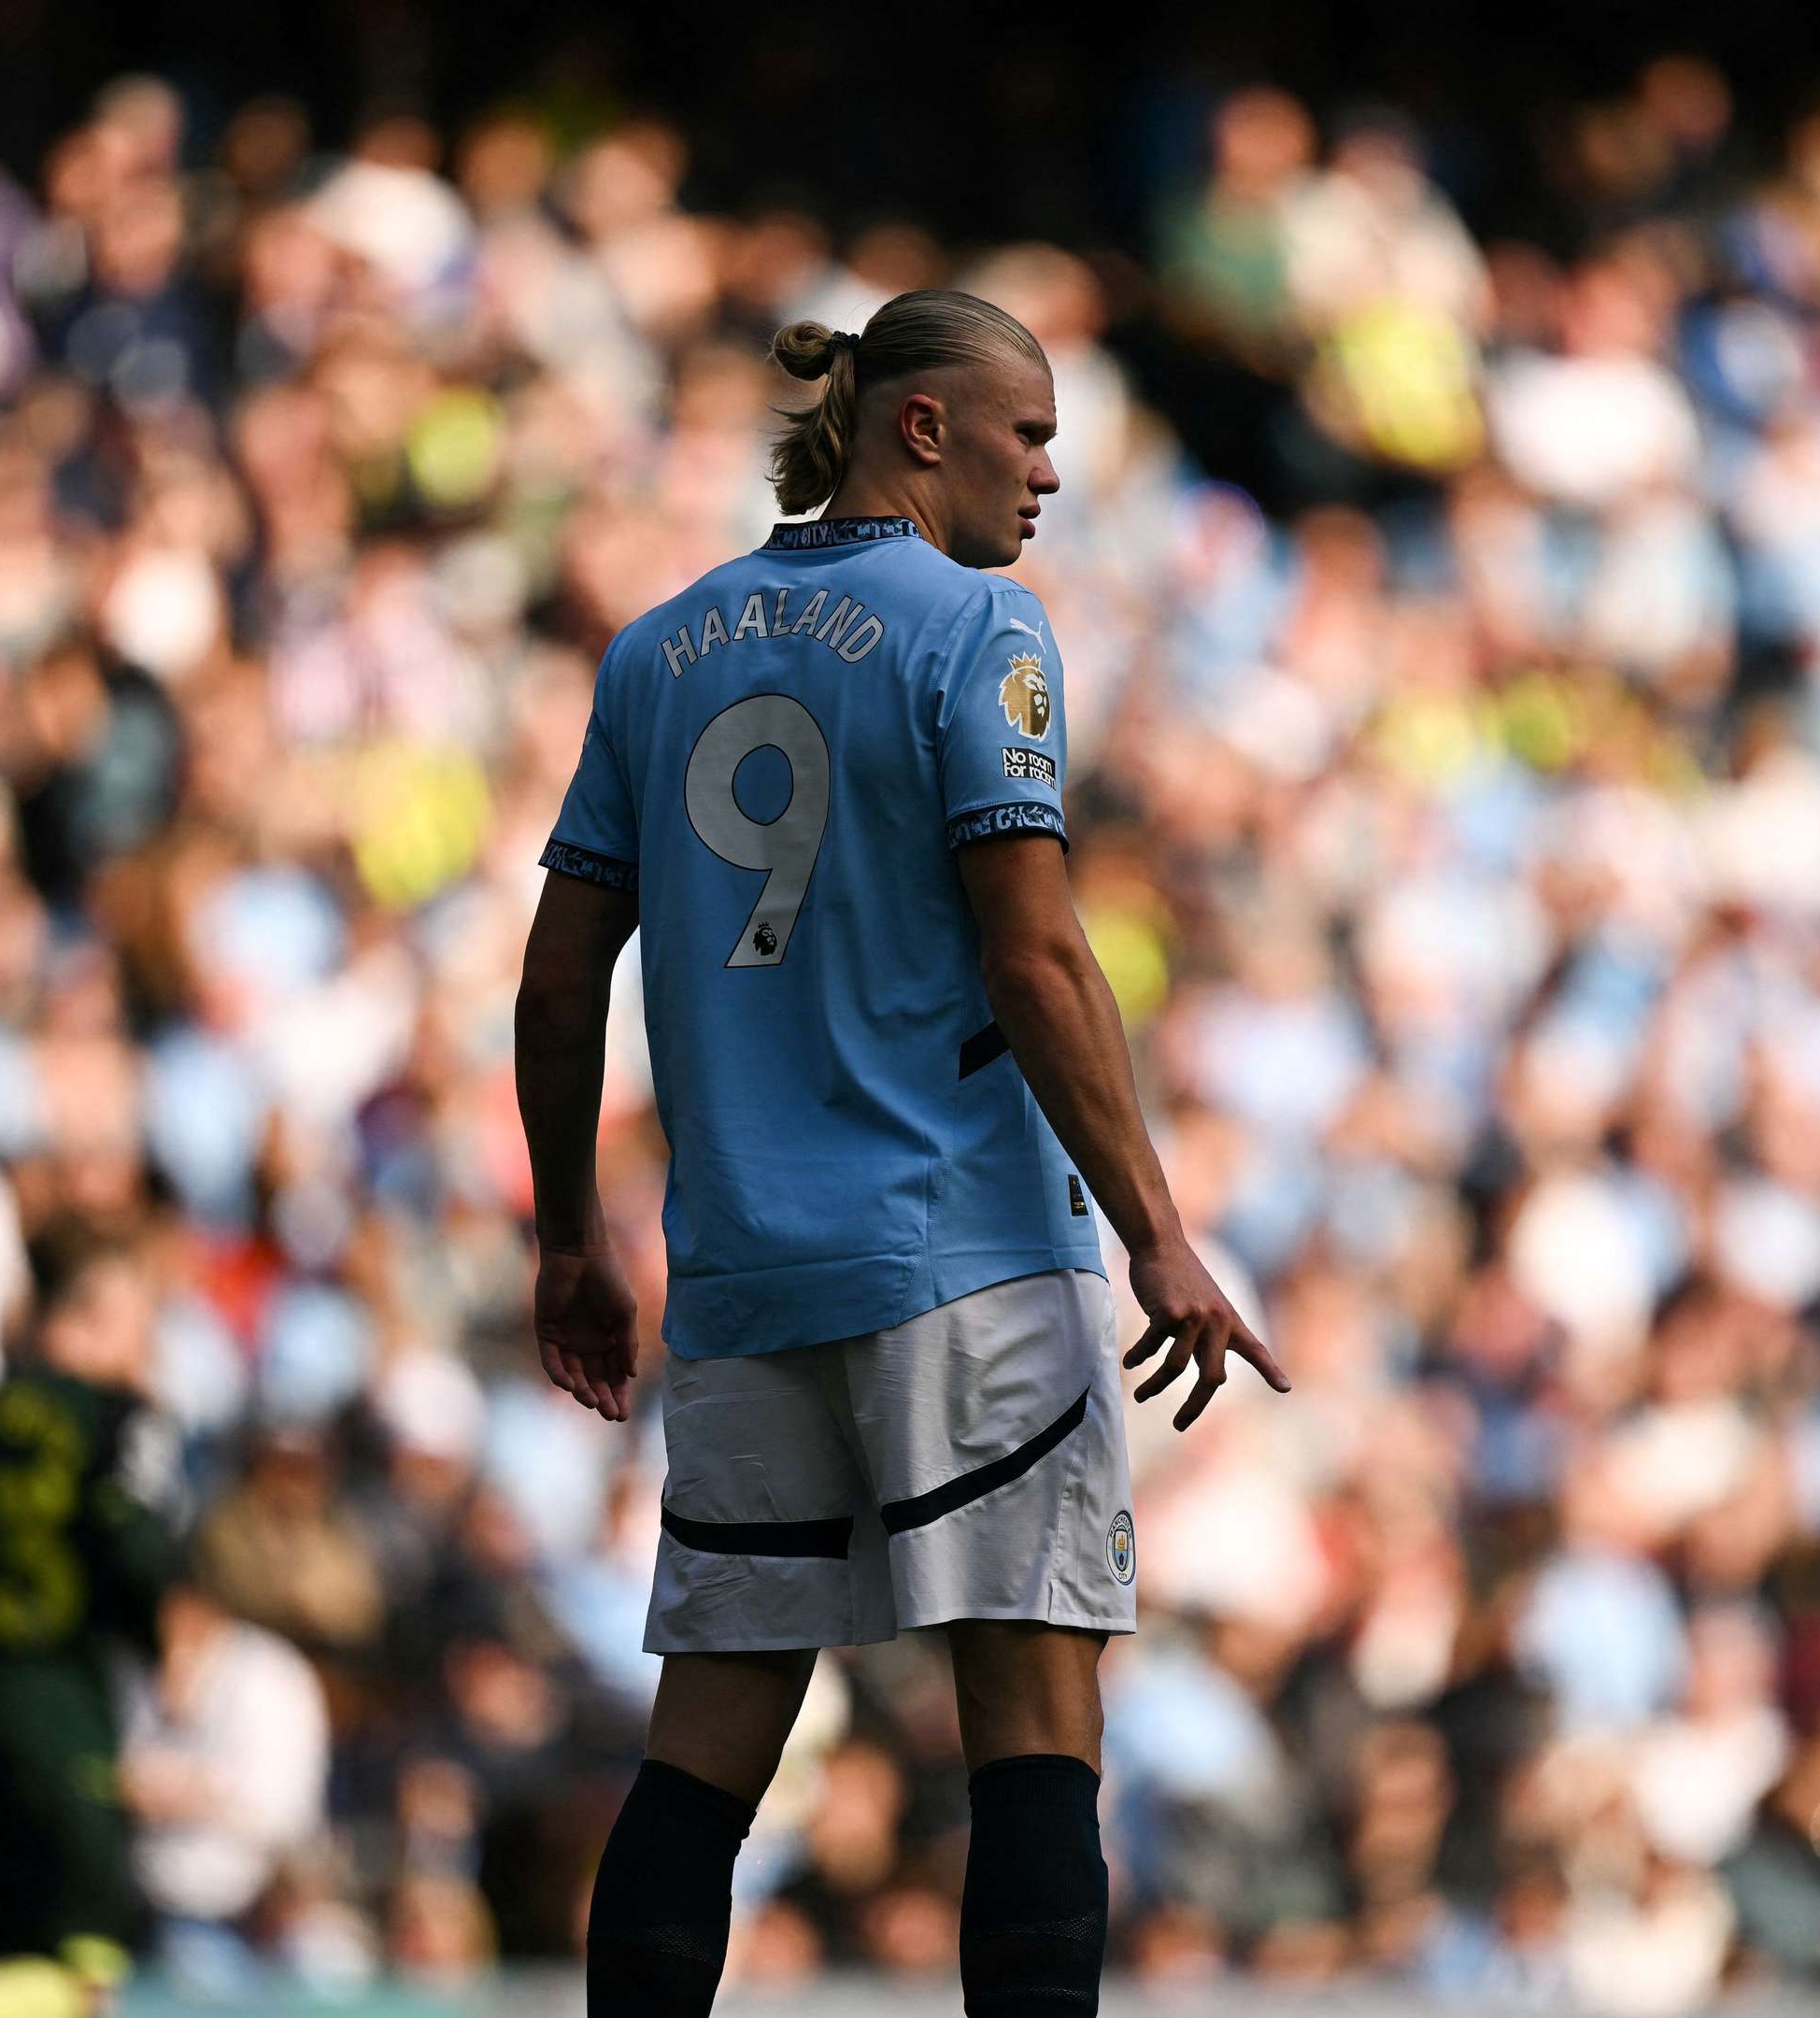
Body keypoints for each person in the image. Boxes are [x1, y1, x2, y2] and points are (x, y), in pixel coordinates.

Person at [513, 289, 1289, 2017]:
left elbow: (565, 975)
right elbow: (1033, 955)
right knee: (1032, 1730)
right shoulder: (980, 634)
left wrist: (569, 1237)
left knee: (705, 1749)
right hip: (965, 1254)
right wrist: (1158, 1229)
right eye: (1029, 435)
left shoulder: (658, 652)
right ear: (922, 427)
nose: (1049, 477)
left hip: (742, 1276)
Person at [0, 1240, 186, 2001]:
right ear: (93, 1319)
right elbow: (135, 1552)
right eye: (142, 1324)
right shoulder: (117, 1417)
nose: (149, 1349)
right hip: (48, 1709)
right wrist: (160, 1646)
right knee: (84, 1967)